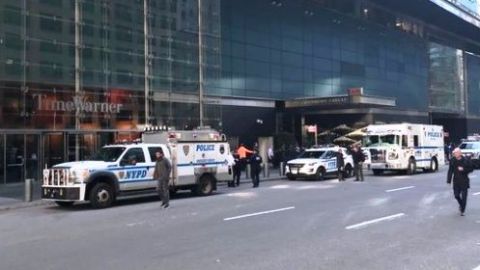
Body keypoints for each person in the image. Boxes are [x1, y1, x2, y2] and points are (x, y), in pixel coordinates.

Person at [447, 148, 474, 216]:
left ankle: (462, 210)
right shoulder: (453, 160)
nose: (455, 154)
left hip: (464, 181)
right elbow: (450, 170)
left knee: (464, 197)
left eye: (456, 153)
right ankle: (461, 204)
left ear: (460, 153)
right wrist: (449, 180)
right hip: (456, 181)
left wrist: (463, 169)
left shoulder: (465, 160)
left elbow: (471, 169)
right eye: (454, 153)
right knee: (456, 195)